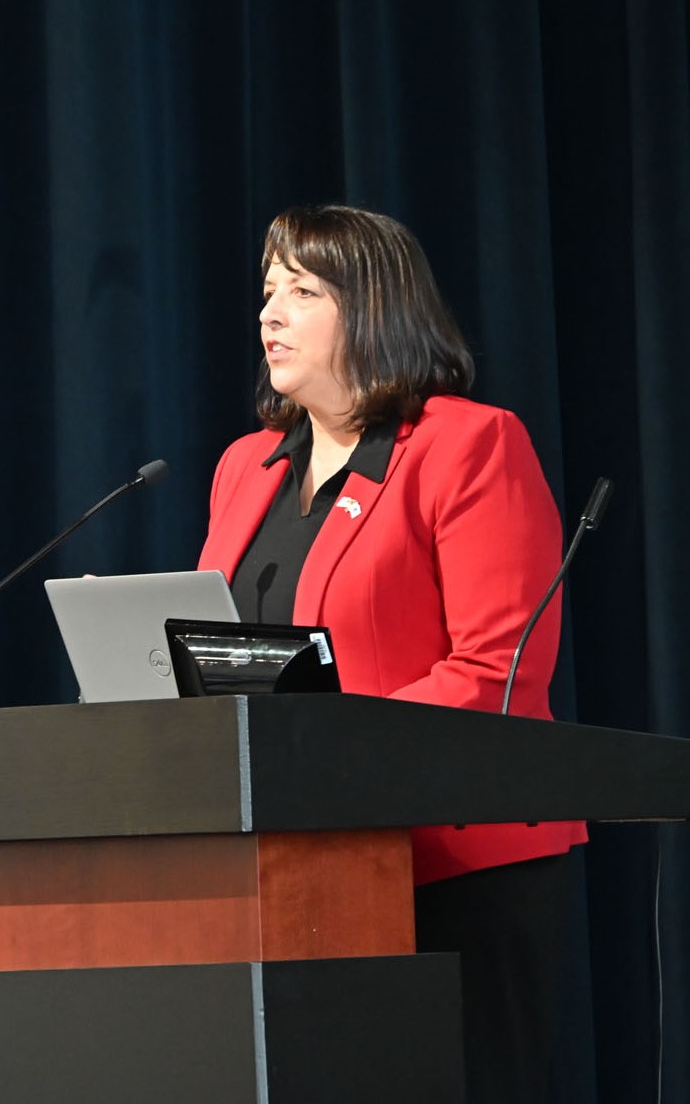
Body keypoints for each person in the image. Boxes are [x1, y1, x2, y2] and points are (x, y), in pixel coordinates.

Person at [196, 204, 584, 1104]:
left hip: (452, 858)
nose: (268, 313)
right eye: (266, 291)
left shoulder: (467, 445)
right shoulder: (244, 467)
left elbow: (497, 669)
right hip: (292, 865)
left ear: (371, 308)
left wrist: (332, 748)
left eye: (301, 290)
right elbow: (233, 660)